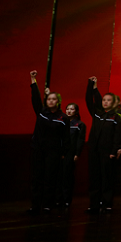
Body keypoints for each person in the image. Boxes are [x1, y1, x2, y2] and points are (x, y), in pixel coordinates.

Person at [28, 71, 70, 213]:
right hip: (38, 150)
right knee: (36, 178)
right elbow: (35, 98)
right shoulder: (41, 112)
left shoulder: (63, 118)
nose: (51, 101)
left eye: (53, 99)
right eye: (49, 99)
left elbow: (66, 138)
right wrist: (33, 80)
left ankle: (47, 204)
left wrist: (63, 153)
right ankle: (35, 205)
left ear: (58, 101)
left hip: (53, 152)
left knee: (50, 178)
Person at [85, 76, 121, 213]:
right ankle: (94, 204)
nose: (105, 102)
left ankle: (107, 204)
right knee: (94, 178)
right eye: (104, 100)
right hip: (94, 151)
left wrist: (114, 150)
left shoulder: (117, 117)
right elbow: (89, 100)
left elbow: (118, 136)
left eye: (108, 100)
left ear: (113, 103)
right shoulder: (97, 114)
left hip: (107, 152)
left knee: (107, 178)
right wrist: (92, 85)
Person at [62, 103, 86, 208]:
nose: (69, 111)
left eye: (72, 109)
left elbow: (80, 140)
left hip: (70, 153)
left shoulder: (79, 124)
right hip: (60, 152)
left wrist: (77, 153)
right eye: (67, 109)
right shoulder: (61, 122)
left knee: (67, 176)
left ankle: (66, 199)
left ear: (76, 111)